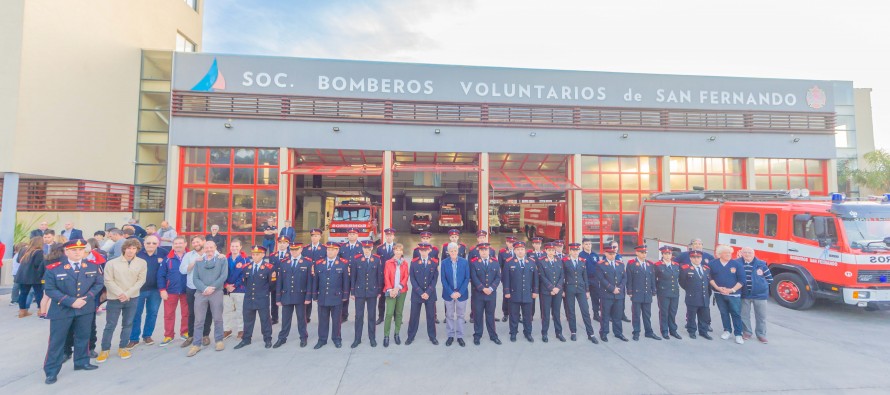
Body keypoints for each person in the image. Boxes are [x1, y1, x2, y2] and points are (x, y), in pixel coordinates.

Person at [42, 239, 104, 385]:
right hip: (62, 309)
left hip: (85, 308)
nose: (78, 252)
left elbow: (99, 284)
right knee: (57, 342)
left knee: (83, 336)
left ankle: (82, 361)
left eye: (81, 250)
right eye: (74, 250)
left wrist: (87, 298)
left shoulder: (93, 266)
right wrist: (70, 301)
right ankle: (51, 371)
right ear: (66, 252)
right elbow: (50, 289)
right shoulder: (54, 268)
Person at [97, 238, 147, 363]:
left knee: (128, 324)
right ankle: (105, 349)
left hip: (132, 298)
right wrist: (120, 293)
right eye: (129, 248)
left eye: (134, 248)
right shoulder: (112, 263)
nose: (131, 251)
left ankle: (123, 347)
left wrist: (128, 293)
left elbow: (141, 280)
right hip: (115, 298)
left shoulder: (142, 263)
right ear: (124, 249)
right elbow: (108, 280)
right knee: (110, 325)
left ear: (137, 250)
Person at [186, 240, 228, 357]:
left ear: (215, 247)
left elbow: (223, 276)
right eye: (206, 247)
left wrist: (212, 288)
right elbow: (195, 278)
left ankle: (219, 341)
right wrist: (204, 289)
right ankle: (196, 344)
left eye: (211, 247)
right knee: (199, 320)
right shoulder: (199, 261)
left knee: (218, 318)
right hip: (201, 293)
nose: (209, 249)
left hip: (216, 292)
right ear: (203, 249)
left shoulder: (221, 260)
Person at [234, 245, 275, 349]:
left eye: (257, 254)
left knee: (265, 320)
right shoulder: (247, 267)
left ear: (263, 255)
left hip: (262, 298)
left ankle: (267, 339)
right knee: (247, 320)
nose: (255, 256)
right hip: (249, 298)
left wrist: (263, 292)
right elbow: (246, 283)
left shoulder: (269, 268)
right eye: (253, 254)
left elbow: (272, 285)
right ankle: (246, 339)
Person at [275, 242, 313, 348]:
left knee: (302, 319)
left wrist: (308, 297)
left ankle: (303, 337)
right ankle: (282, 338)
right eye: (292, 250)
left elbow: (310, 282)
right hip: (286, 295)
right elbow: (279, 282)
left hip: (301, 296)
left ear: (301, 250)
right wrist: (278, 298)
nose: (294, 252)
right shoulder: (284, 262)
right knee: (285, 319)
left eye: (296, 250)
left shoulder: (307, 263)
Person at [128, 235, 163, 348]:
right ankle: (134, 338)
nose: (151, 245)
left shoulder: (164, 253)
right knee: (136, 314)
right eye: (148, 243)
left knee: (152, 313)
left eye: (154, 243)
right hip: (138, 290)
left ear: (158, 244)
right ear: (144, 244)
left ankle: (147, 335)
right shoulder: (137, 254)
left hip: (156, 290)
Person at [180, 236, 215, 348]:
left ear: (203, 242)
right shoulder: (189, 255)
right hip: (192, 287)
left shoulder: (211, 252)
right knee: (192, 313)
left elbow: (220, 260)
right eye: (193, 242)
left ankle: (205, 335)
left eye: (198, 241)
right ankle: (191, 336)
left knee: (208, 312)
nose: (195, 244)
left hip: (206, 288)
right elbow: (182, 270)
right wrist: (194, 262)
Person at [313, 242, 350, 349]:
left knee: (336, 320)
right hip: (323, 297)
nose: (330, 252)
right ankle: (322, 339)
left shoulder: (343, 263)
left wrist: (345, 295)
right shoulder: (319, 263)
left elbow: (345, 282)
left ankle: (337, 338)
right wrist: (314, 295)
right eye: (328, 249)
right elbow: (316, 280)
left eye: (333, 250)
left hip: (336, 296)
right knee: (322, 320)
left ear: (337, 251)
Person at [350, 240, 384, 348]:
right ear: (362, 249)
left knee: (371, 316)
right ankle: (357, 338)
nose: (367, 250)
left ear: (371, 249)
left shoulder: (377, 260)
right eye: (365, 248)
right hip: (359, 291)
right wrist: (352, 292)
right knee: (358, 316)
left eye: (369, 248)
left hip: (372, 292)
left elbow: (379, 276)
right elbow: (353, 277)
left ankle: (372, 338)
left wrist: (379, 291)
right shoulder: (356, 260)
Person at [710, 244, 746, 345]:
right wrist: (717, 288)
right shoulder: (713, 264)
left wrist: (731, 290)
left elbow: (742, 280)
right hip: (719, 293)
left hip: (734, 295)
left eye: (730, 253)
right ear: (719, 254)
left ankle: (738, 334)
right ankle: (727, 331)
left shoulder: (737, 264)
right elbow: (710, 277)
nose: (729, 255)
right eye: (726, 253)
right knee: (724, 313)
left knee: (736, 313)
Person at [562, 243, 598, 344]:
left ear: (579, 251)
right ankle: (573, 332)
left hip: (581, 289)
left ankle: (591, 334)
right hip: (570, 288)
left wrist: (587, 290)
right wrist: (563, 290)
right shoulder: (565, 261)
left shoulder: (583, 261)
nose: (575, 252)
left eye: (577, 250)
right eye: (573, 250)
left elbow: (585, 276)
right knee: (571, 312)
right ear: (570, 251)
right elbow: (562, 276)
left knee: (585, 311)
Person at [503, 241, 538, 343]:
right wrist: (507, 292)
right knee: (513, 315)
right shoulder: (509, 262)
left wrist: (535, 291)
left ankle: (528, 333)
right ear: (514, 251)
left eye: (522, 249)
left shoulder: (531, 262)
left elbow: (535, 278)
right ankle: (513, 333)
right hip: (514, 293)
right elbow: (506, 279)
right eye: (518, 249)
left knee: (528, 316)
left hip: (528, 293)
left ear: (525, 250)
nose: (520, 251)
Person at [737, 247, 773, 344]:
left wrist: (762, 287)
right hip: (744, 294)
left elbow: (770, 279)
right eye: (745, 252)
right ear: (741, 253)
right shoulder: (737, 263)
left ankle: (761, 334)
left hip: (760, 295)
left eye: (749, 252)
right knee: (744, 315)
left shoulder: (761, 264)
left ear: (754, 253)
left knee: (761, 316)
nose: (747, 254)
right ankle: (747, 332)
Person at [158, 236, 189, 346]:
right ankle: (168, 335)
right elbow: (161, 275)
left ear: (185, 244)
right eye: (176, 243)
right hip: (170, 291)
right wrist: (162, 290)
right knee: (169, 314)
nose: (178, 245)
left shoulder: (190, 256)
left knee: (186, 313)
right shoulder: (168, 258)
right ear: (173, 245)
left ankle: (185, 332)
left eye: (180, 243)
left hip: (187, 290)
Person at [406, 243, 439, 346]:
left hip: (430, 294)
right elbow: (412, 279)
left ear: (429, 250)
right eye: (422, 250)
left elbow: (435, 279)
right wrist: (420, 292)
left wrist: (428, 292)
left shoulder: (434, 262)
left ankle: (432, 337)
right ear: (419, 251)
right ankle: (410, 336)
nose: (424, 252)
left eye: (426, 250)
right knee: (414, 316)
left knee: (431, 316)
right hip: (417, 294)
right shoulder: (414, 262)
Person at [469, 242, 501, 345]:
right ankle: (477, 335)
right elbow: (473, 277)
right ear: (479, 251)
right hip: (478, 294)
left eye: (485, 250)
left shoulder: (495, 262)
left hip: (491, 294)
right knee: (478, 315)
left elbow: (498, 277)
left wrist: (491, 288)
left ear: (489, 251)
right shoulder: (474, 263)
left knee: (490, 315)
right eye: (482, 250)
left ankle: (493, 335)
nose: (484, 252)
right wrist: (483, 288)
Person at [626, 245, 660, 341]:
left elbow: (652, 278)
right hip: (636, 293)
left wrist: (654, 289)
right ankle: (636, 332)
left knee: (647, 314)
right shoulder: (631, 264)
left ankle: (648, 332)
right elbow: (629, 279)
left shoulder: (650, 264)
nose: (644, 254)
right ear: (637, 253)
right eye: (642, 252)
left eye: (645, 252)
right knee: (636, 314)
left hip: (647, 293)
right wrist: (629, 291)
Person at [596, 244, 628, 342]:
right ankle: (604, 333)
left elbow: (624, 277)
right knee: (605, 315)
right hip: (607, 294)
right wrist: (612, 288)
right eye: (610, 254)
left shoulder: (620, 264)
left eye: (614, 253)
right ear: (605, 253)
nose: (612, 255)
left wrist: (620, 288)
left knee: (617, 315)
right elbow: (601, 278)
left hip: (619, 294)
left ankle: (618, 333)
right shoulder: (600, 264)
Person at [441, 242, 470, 347]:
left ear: (458, 251)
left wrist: (459, 292)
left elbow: (467, 278)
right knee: (449, 315)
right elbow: (443, 279)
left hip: (461, 294)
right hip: (448, 294)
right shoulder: (444, 263)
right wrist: (451, 292)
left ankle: (460, 336)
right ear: (448, 252)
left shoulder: (464, 262)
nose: (453, 252)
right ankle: (450, 335)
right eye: (451, 251)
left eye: (455, 251)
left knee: (461, 315)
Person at [679, 251, 713, 340]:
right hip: (692, 296)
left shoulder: (706, 269)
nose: (696, 259)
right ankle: (692, 331)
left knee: (704, 315)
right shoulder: (685, 269)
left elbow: (708, 283)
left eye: (698, 257)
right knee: (691, 316)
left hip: (704, 296)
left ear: (701, 258)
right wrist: (690, 290)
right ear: (690, 258)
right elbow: (682, 282)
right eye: (694, 257)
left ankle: (703, 331)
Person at [382, 243, 410, 347]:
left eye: (400, 250)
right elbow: (386, 276)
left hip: (401, 291)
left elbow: (406, 276)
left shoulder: (405, 263)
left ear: (402, 252)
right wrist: (391, 290)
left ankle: (396, 334)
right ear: (394, 251)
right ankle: (386, 336)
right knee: (389, 313)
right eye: (396, 250)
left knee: (399, 313)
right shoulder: (388, 262)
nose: (398, 252)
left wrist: (398, 288)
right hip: (390, 291)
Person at [537, 242, 566, 343]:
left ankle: (559, 333)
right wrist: (551, 288)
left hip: (557, 291)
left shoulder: (559, 261)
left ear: (555, 251)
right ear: (545, 251)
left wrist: (557, 288)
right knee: (546, 314)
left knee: (557, 313)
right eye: (549, 250)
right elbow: (542, 276)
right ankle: (544, 333)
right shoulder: (541, 261)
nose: (551, 252)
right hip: (546, 292)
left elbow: (562, 276)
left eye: (553, 250)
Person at [654, 246, 682, 340]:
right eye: (665, 254)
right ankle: (664, 331)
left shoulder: (676, 265)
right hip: (663, 292)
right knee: (664, 312)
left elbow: (679, 278)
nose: (667, 255)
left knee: (673, 312)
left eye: (669, 253)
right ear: (662, 254)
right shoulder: (658, 265)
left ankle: (673, 330)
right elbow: (653, 279)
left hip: (674, 292)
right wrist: (655, 290)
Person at [223, 238, 249, 340]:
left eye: (236, 246)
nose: (234, 248)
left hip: (239, 289)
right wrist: (226, 285)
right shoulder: (225, 259)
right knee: (226, 311)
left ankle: (241, 330)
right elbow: (221, 274)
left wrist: (234, 286)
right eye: (233, 246)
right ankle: (227, 330)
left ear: (240, 247)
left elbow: (244, 275)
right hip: (226, 290)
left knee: (240, 311)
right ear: (230, 247)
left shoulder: (245, 260)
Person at [16, 237, 45, 318]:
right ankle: (40, 310)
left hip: (22, 275)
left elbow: (18, 260)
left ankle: (22, 311)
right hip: (34, 276)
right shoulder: (39, 252)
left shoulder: (23, 250)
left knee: (23, 293)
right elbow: (37, 264)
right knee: (39, 293)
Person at [338, 228, 363, 322]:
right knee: (345, 295)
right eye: (350, 234)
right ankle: (344, 315)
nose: (351, 236)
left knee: (358, 296)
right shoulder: (343, 247)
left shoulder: (362, 247)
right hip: (345, 276)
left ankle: (358, 315)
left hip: (358, 276)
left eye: (354, 234)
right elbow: (338, 259)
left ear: (357, 235)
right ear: (347, 235)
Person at [302, 228, 326, 324]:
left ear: (320, 236)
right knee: (307, 297)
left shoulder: (324, 249)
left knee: (320, 297)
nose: (314, 237)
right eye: (312, 236)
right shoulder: (305, 249)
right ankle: (306, 317)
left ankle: (322, 317)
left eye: (316, 236)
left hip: (319, 276)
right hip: (308, 277)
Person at [375, 228, 397, 325]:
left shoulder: (398, 248)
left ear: (393, 236)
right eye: (387, 235)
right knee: (382, 299)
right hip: (383, 278)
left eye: (390, 235)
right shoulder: (380, 248)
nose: (389, 237)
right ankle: (380, 317)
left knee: (395, 297)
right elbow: (377, 263)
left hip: (394, 278)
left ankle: (396, 317)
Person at [580, 238, 600, 322]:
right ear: (583, 245)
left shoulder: (595, 255)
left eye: (589, 244)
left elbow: (599, 267)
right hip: (585, 279)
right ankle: (586, 316)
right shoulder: (580, 255)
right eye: (586, 244)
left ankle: (596, 314)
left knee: (595, 298)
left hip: (594, 279)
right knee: (584, 299)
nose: (588, 245)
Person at [496, 236, 516, 322]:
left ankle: (516, 314)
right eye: (509, 242)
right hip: (506, 277)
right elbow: (499, 265)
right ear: (506, 242)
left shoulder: (518, 251)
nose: (511, 244)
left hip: (517, 277)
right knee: (506, 295)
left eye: (513, 242)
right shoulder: (502, 252)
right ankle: (506, 313)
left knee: (517, 295)